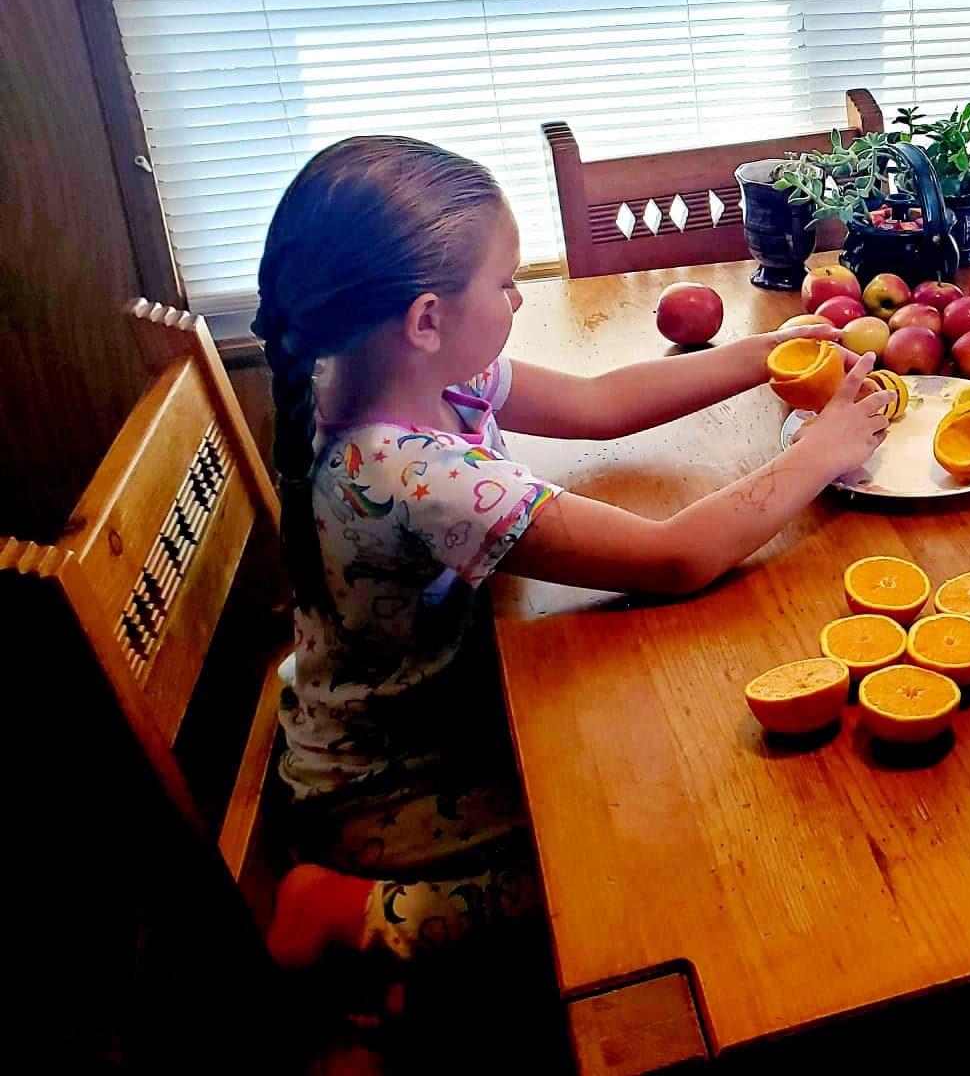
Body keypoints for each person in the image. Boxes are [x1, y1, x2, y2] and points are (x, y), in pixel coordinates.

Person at [251, 135, 890, 994]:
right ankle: (343, 914)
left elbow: (601, 404)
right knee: (628, 869)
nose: (520, 295)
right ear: (427, 319)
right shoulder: (414, 474)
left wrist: (764, 356)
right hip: (384, 784)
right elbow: (674, 557)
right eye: (507, 281)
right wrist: (821, 451)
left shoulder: (411, 374)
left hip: (381, 716)